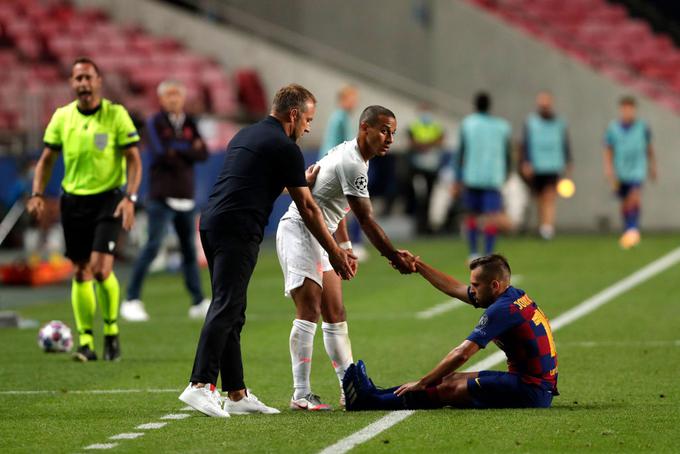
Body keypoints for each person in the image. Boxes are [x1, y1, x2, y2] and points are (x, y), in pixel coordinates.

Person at [178, 84, 356, 418]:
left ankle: (236, 392)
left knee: (232, 308)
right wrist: (334, 251)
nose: (308, 127)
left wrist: (296, 179)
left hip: (213, 223)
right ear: (293, 114)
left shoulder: (248, 135)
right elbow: (307, 205)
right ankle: (200, 384)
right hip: (237, 229)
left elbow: (252, 183)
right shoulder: (285, 147)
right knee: (228, 304)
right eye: (307, 119)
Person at [277, 105, 414, 411]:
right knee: (309, 308)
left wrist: (346, 245)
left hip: (322, 234)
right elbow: (366, 219)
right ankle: (301, 394)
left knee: (335, 311)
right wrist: (392, 256)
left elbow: (333, 205)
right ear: (364, 128)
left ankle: (348, 388)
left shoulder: (354, 157)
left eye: (393, 131)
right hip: (300, 231)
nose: (390, 138)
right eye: (384, 130)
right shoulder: (352, 163)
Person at [27, 57, 142, 362]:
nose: (83, 83)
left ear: (98, 81)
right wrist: (38, 193)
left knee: (102, 269)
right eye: (78, 78)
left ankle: (112, 332)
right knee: (80, 270)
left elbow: (134, 159)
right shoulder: (62, 117)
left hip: (109, 198)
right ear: (72, 84)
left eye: (88, 77)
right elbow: (46, 160)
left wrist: (130, 198)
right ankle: (86, 343)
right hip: (74, 201)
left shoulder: (116, 115)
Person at [343, 254, 559, 410]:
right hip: (532, 383)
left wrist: (423, 381)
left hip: (531, 391)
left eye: (475, 285)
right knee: (450, 379)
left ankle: (371, 402)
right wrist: (418, 265)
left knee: (449, 389)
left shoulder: (501, 310)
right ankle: (376, 394)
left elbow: (462, 353)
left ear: (494, 285)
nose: (471, 290)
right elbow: (455, 288)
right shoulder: (512, 295)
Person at [121, 80, 210, 322]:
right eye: (168, 96)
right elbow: (161, 153)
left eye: (177, 95)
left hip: (185, 197)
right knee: (152, 247)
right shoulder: (154, 122)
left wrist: (178, 149)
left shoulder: (190, 122)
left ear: (183, 98)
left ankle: (198, 301)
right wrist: (188, 148)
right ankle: (131, 299)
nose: (173, 100)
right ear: (160, 99)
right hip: (162, 197)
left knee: (189, 252)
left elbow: (203, 153)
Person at [456, 92, 511, 261]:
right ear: (489, 106)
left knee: (471, 215)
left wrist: (459, 176)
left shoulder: (467, 124)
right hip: (493, 177)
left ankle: (473, 252)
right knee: (491, 217)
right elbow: (508, 154)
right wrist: (507, 173)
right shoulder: (502, 126)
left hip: (472, 176)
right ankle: (488, 253)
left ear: (475, 105)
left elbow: (461, 153)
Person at [318, 84, 368, 261]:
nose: (355, 102)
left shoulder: (340, 117)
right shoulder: (340, 118)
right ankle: (352, 245)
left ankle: (342, 246)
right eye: (352, 98)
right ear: (343, 99)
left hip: (332, 166)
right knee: (349, 207)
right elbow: (343, 146)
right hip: (335, 168)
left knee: (341, 209)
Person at [604, 96, 657, 249]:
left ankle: (633, 230)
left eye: (630, 109)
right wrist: (608, 169)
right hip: (620, 170)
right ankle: (627, 227)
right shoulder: (613, 128)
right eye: (625, 109)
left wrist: (653, 166)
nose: (628, 112)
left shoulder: (642, 127)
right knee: (625, 201)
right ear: (621, 110)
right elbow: (608, 149)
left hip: (637, 169)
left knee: (634, 197)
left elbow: (649, 148)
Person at [520, 91, 572, 240]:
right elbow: (526, 143)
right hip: (537, 165)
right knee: (539, 197)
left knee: (549, 196)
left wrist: (568, 161)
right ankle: (543, 226)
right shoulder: (531, 122)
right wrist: (526, 161)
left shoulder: (560, 122)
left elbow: (565, 142)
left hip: (553, 164)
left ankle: (548, 227)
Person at [407, 103, 446, 234]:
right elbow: (411, 142)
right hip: (418, 168)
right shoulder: (414, 125)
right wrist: (427, 144)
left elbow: (441, 140)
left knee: (430, 198)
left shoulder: (435, 125)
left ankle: (427, 226)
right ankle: (419, 225)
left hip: (432, 168)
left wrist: (425, 144)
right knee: (419, 197)